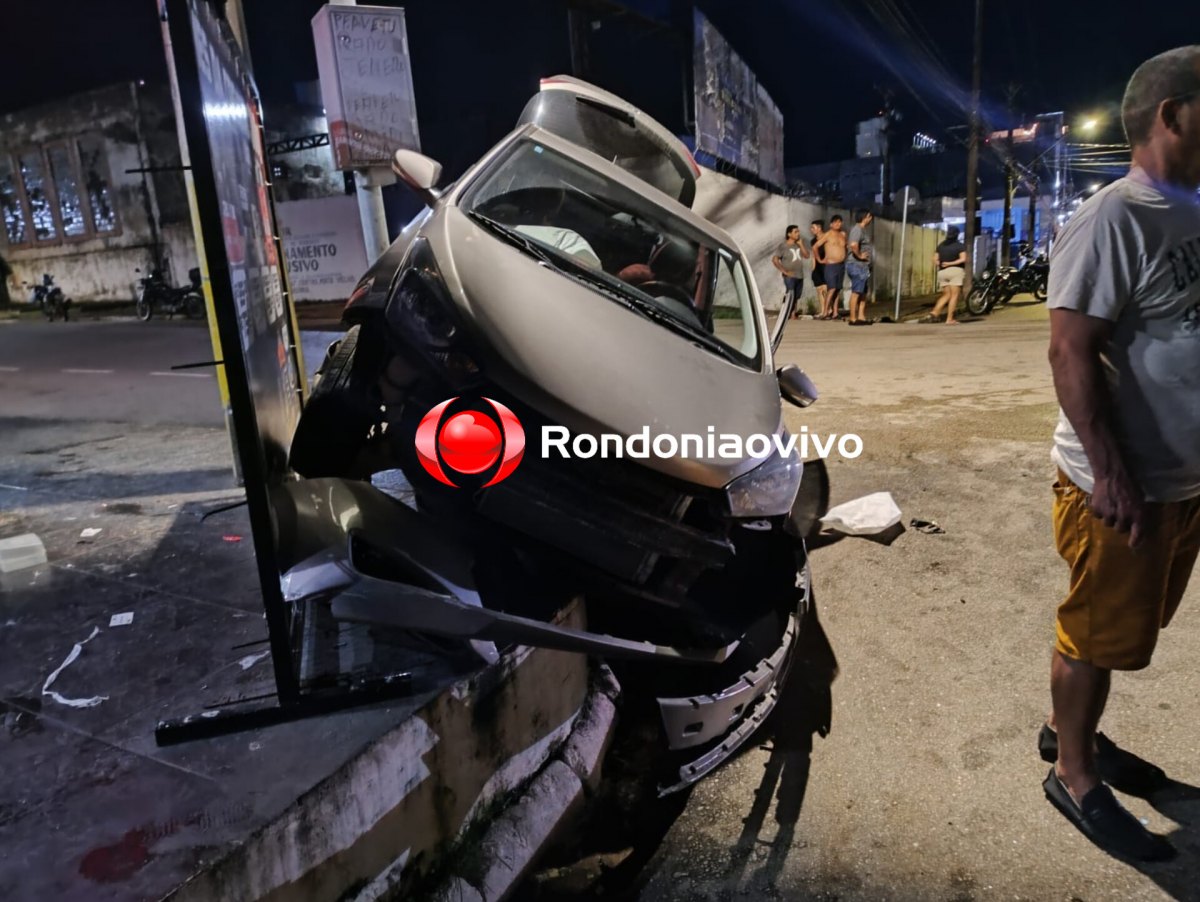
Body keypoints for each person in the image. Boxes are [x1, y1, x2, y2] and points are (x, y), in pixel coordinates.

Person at [1041, 45, 1200, 863]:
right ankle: (1073, 772)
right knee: (1096, 636)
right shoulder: (1114, 217)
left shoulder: (1193, 208)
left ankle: (1071, 734)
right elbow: (1070, 353)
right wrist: (1111, 474)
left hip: (1183, 484)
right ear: (1173, 114)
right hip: (1125, 484)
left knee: (1132, 626)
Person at [929, 226, 967, 324]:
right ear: (957, 235)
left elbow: (935, 259)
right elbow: (963, 259)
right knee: (954, 295)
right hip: (955, 271)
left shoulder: (941, 245)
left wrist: (939, 263)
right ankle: (950, 319)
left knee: (946, 294)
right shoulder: (960, 246)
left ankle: (935, 312)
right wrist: (951, 263)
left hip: (942, 272)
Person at [813, 215, 847, 319]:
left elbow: (845, 246)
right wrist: (819, 260)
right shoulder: (828, 234)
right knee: (831, 288)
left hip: (841, 265)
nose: (838, 224)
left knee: (837, 289)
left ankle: (835, 313)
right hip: (831, 265)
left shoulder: (843, 234)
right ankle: (825, 312)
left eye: (840, 222)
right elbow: (815, 247)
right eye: (836, 222)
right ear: (831, 224)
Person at [771, 224, 809, 316]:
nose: (798, 234)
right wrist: (784, 271)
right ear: (789, 234)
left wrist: (801, 245)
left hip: (799, 274)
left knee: (796, 296)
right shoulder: (783, 246)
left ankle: (793, 314)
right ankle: (785, 313)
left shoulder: (798, 245)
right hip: (789, 275)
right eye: (795, 232)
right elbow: (775, 259)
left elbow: (807, 256)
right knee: (790, 293)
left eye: (798, 231)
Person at [846, 209, 873, 324]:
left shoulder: (863, 230)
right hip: (857, 265)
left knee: (863, 292)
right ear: (864, 217)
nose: (870, 219)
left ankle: (861, 316)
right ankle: (853, 318)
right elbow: (853, 245)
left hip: (864, 266)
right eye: (869, 217)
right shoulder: (857, 230)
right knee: (856, 292)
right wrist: (860, 256)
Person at [810, 220, 831, 318]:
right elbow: (813, 255)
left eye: (813, 228)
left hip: (826, 266)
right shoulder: (813, 241)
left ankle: (829, 309)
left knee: (826, 289)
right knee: (819, 289)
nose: (811, 230)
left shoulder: (827, 238)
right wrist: (813, 269)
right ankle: (822, 310)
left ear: (819, 228)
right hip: (818, 266)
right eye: (811, 228)